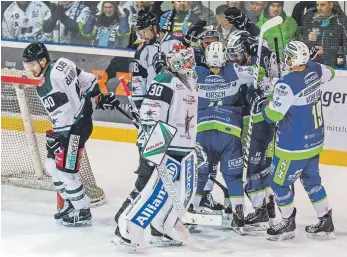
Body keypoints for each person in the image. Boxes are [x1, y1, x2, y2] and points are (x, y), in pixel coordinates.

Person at [99, 44, 199, 250]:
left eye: (190, 59)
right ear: (174, 62)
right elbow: (152, 117)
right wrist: (154, 152)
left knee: (183, 195)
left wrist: (192, 145)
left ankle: (163, 228)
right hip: (166, 150)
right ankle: (128, 231)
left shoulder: (190, 82)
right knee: (154, 194)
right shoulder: (164, 81)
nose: (190, 64)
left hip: (184, 150)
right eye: (185, 60)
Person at [248, 41, 335, 241]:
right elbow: (330, 72)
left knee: (278, 183)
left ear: (291, 59)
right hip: (315, 141)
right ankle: (325, 219)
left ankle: (287, 223)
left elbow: (273, 116)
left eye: (287, 57)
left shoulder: (286, 84)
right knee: (312, 181)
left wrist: (260, 103)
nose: (285, 60)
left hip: (292, 146)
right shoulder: (315, 69)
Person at [22, 42, 101, 227]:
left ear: (43, 61)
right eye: (27, 65)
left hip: (73, 129)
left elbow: (63, 113)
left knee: (66, 173)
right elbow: (87, 79)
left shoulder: (45, 85)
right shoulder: (63, 62)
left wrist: (60, 136)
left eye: (32, 64)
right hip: (76, 122)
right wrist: (96, 95)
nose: (30, 69)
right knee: (51, 165)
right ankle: (71, 203)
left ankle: (82, 210)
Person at [194, 41, 260, 233]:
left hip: (203, 132)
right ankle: (238, 216)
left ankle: (192, 210)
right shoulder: (234, 70)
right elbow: (258, 74)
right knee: (233, 176)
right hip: (229, 131)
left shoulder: (197, 72)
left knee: (200, 175)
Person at [227, 30, 278, 230]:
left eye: (237, 54)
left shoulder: (258, 65)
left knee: (251, 169)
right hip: (262, 122)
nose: (234, 59)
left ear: (248, 51)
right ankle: (269, 206)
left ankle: (260, 210)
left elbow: (265, 80)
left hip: (258, 123)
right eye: (231, 54)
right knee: (263, 168)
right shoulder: (259, 58)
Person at [302, 1, 347, 67]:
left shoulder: (341, 21)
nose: (319, 8)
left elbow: (345, 44)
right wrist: (308, 39)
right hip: (313, 63)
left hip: (333, 64)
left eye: (323, 5)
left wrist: (325, 51)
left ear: (331, 5)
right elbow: (302, 44)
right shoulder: (309, 19)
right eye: (317, 5)